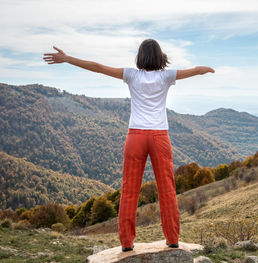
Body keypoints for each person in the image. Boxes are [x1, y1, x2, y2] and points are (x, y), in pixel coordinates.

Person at [43, 39, 215, 252]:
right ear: (160, 57)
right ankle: (172, 239)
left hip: (135, 137)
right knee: (167, 189)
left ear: (140, 57)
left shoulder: (131, 75)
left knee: (129, 190)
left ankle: (126, 242)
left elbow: (98, 67)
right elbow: (196, 70)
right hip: (160, 137)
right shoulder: (166, 76)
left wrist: (67, 59)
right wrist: (205, 70)